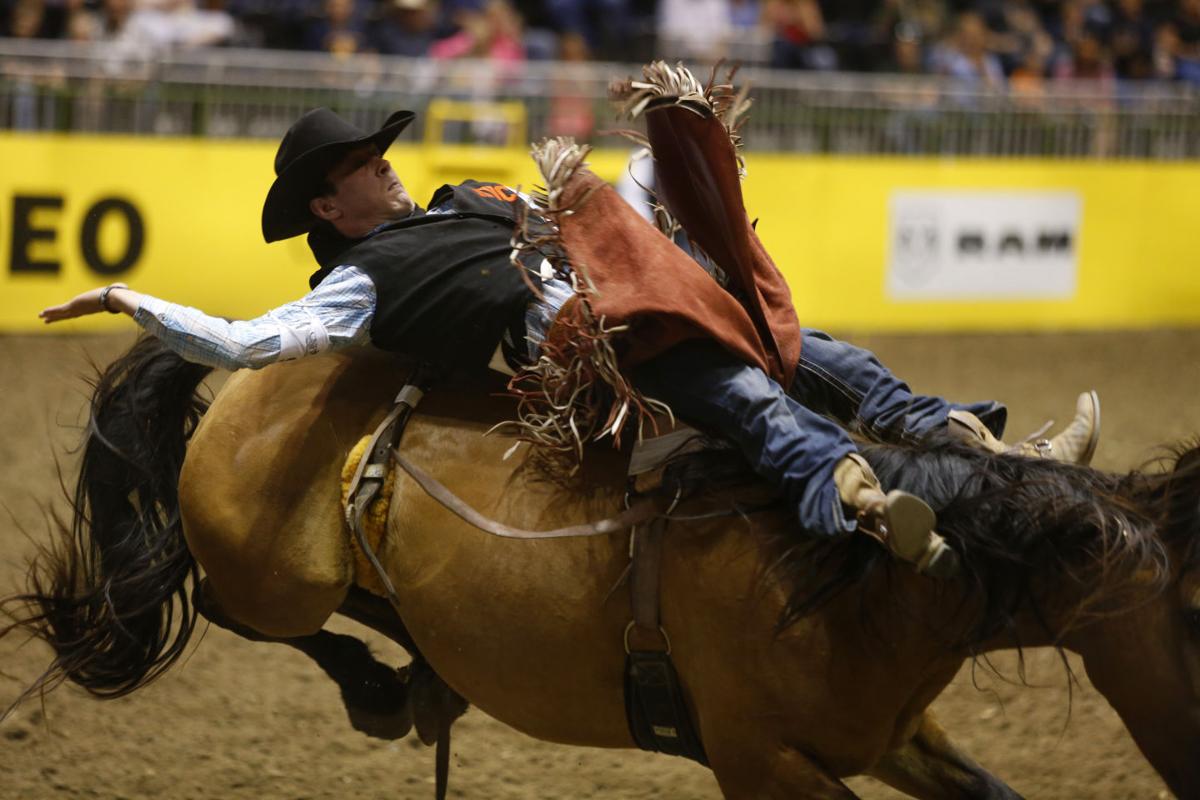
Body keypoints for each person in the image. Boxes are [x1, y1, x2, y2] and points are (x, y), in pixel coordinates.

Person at [40, 107, 1099, 580]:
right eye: (365, 161)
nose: (387, 165)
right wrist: (136, 302)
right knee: (746, 392)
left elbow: (592, 212)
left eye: (378, 151)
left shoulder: (471, 196)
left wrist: (660, 155)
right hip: (593, 357)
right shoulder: (357, 281)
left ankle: (994, 455)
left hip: (638, 296)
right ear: (329, 201)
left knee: (826, 355)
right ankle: (860, 505)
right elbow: (242, 343)